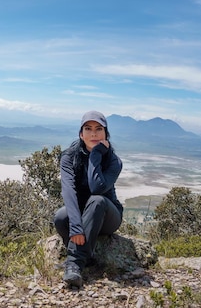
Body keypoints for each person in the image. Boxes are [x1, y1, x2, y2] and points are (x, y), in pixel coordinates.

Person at [53, 110, 123, 287]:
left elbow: (96, 188)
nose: (93, 133)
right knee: (61, 217)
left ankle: (74, 264)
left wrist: (96, 155)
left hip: (107, 216)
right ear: (80, 134)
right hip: (84, 214)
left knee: (97, 200)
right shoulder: (69, 157)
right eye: (88, 128)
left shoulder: (113, 161)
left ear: (106, 134)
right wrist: (76, 226)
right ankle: (87, 255)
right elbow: (68, 191)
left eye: (99, 129)